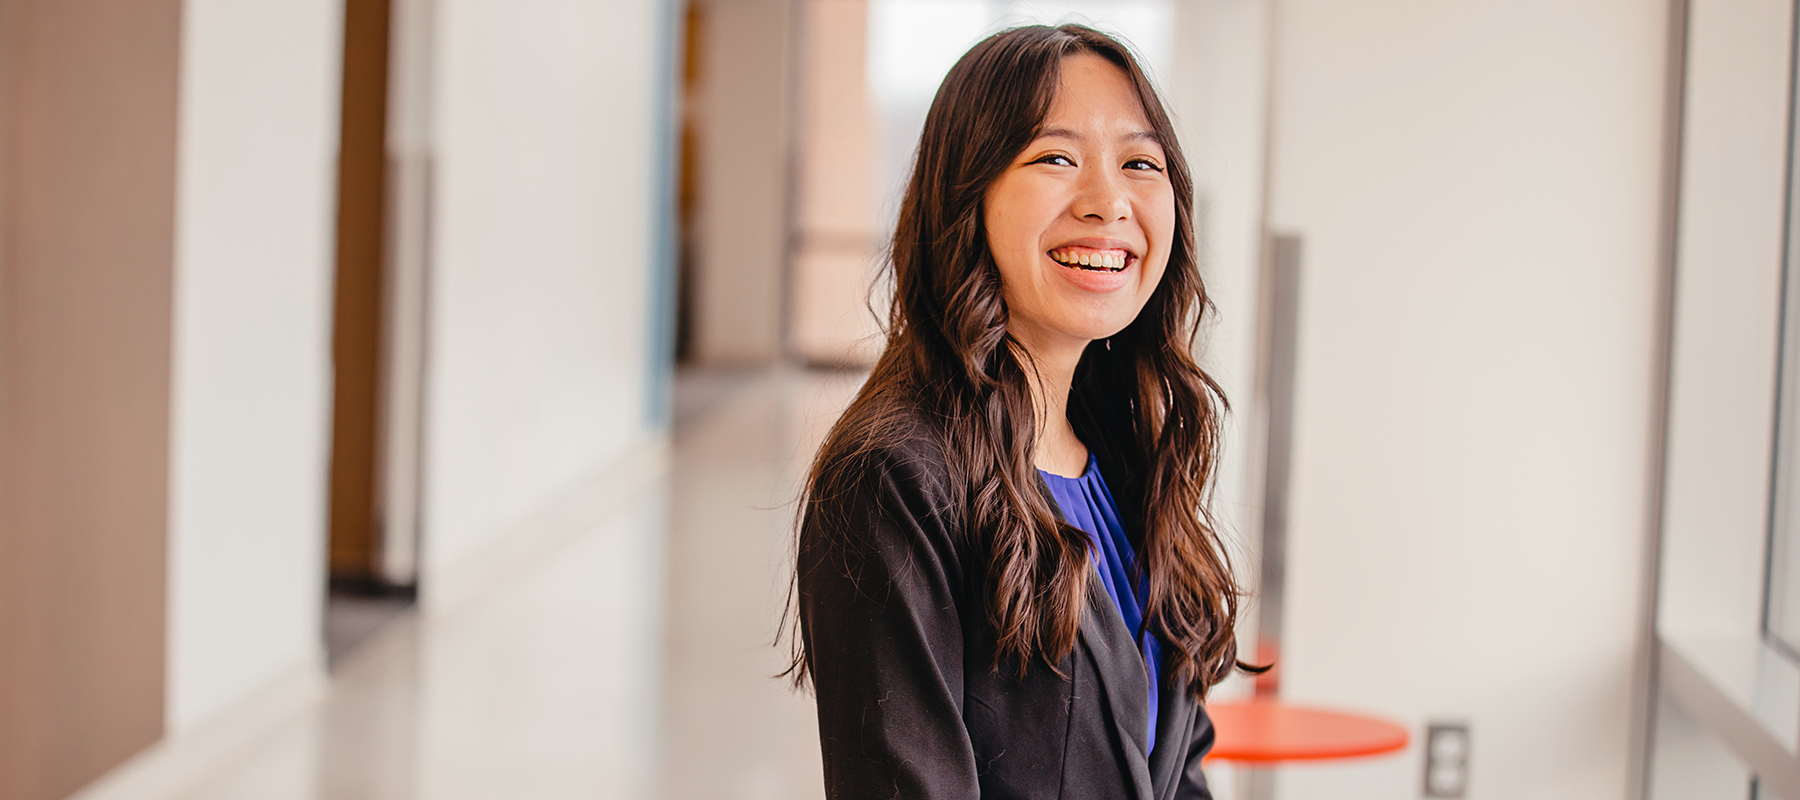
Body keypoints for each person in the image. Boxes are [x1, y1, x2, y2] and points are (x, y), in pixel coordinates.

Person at [787, 23, 1258, 800]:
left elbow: (1177, 767)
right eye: (1055, 158)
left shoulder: (1130, 454)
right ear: (967, 194)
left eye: (1140, 163)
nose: (1109, 201)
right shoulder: (896, 478)